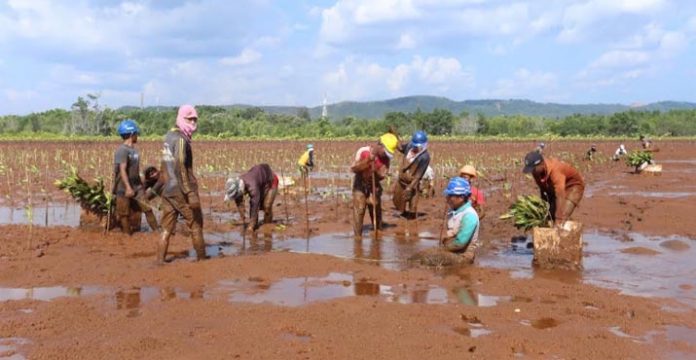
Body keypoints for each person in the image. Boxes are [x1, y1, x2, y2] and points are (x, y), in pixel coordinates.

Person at [157, 105, 206, 264]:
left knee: (166, 228)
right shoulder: (180, 139)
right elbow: (180, 166)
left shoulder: (168, 136)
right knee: (196, 225)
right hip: (180, 190)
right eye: (189, 119)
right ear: (180, 118)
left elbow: (164, 165)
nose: (192, 122)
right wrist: (190, 193)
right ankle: (202, 260)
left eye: (194, 119)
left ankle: (160, 260)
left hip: (168, 190)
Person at [112, 119, 159, 235]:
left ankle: (158, 232)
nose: (137, 136)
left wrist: (140, 185)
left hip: (137, 187)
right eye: (136, 134)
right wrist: (128, 188)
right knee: (124, 214)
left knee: (148, 209)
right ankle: (127, 235)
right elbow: (122, 170)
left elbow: (134, 170)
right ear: (132, 134)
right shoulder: (122, 150)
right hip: (123, 188)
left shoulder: (134, 150)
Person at [350, 132, 397, 237]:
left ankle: (378, 232)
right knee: (359, 210)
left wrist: (375, 170)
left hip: (374, 185)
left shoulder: (386, 159)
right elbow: (354, 168)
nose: (386, 155)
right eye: (385, 152)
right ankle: (357, 237)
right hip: (360, 184)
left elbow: (382, 174)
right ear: (380, 146)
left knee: (376, 209)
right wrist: (367, 161)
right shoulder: (363, 152)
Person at [522, 151, 585, 227]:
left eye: (533, 169)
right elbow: (543, 189)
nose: (532, 172)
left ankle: (568, 232)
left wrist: (558, 219)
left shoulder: (555, 170)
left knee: (562, 215)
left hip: (573, 187)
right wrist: (545, 208)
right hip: (554, 187)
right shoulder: (537, 172)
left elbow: (560, 195)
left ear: (541, 164)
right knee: (550, 216)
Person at [224, 163, 279, 232]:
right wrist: (243, 216)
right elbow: (238, 199)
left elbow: (254, 206)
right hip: (261, 182)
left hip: (271, 181)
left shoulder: (252, 187)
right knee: (261, 205)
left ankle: (267, 226)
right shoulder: (238, 182)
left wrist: (251, 226)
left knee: (266, 207)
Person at [441, 177, 480, 264]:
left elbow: (460, 243)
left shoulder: (469, 215)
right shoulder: (453, 210)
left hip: (464, 254)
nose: (447, 198)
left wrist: (441, 250)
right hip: (452, 249)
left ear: (461, 197)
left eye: (451, 196)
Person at [393, 130, 431, 218]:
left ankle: (411, 218)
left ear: (423, 145)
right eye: (414, 145)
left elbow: (419, 175)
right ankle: (402, 214)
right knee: (398, 201)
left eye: (417, 146)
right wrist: (395, 136)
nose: (415, 147)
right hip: (401, 180)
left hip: (412, 183)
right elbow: (401, 148)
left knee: (412, 206)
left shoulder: (425, 157)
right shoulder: (409, 146)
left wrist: (410, 187)